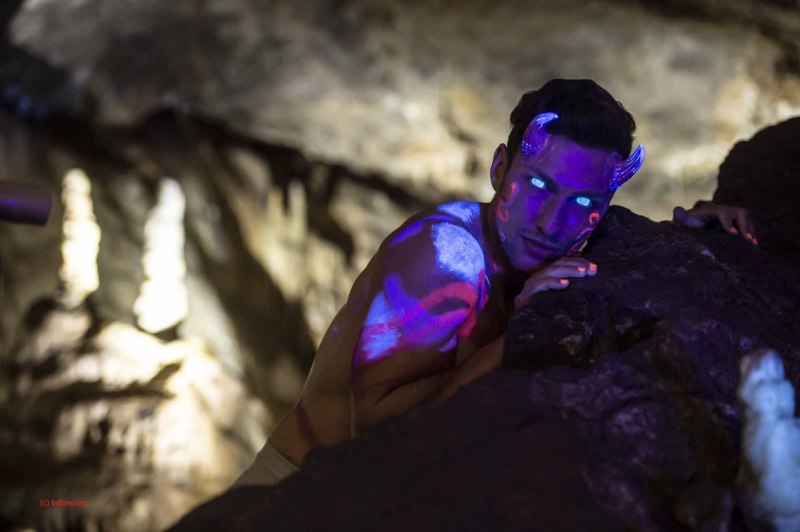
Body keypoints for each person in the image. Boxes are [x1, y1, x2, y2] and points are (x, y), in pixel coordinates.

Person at [232, 79, 757, 487]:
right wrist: (521, 333)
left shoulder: (557, 243)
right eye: (536, 186)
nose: (552, 220)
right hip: (290, 496)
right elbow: (376, 435)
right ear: (499, 168)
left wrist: (701, 235)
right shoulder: (445, 255)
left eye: (581, 204)